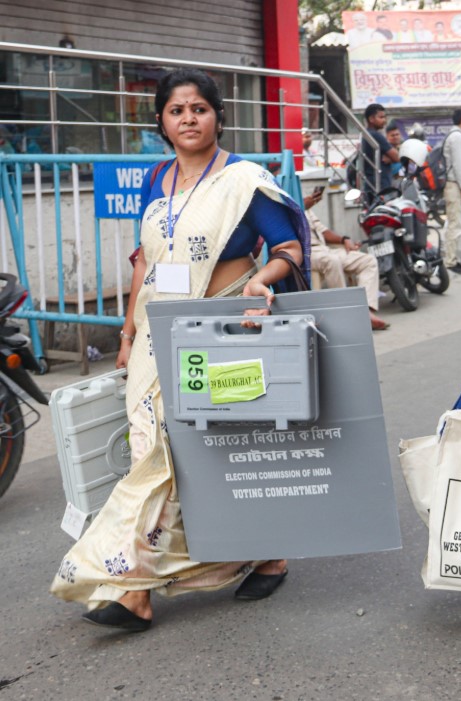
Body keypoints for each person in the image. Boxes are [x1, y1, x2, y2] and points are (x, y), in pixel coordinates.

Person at [50, 68, 310, 631]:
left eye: (199, 108)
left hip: (219, 329)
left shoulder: (243, 181)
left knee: (201, 452)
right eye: (176, 110)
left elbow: (288, 245)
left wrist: (263, 279)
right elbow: (144, 264)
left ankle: (145, 582)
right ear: (162, 122)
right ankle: (229, 559)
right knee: (154, 450)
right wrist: (126, 337)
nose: (188, 118)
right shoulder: (155, 180)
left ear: (218, 116)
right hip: (156, 334)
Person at [302, 189, 388, 330]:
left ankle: (365, 311)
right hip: (307, 253)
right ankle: (346, 313)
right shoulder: (286, 206)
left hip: (325, 249)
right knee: (332, 261)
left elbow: (323, 231)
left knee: (368, 261)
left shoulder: (308, 209)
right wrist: (301, 206)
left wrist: (345, 239)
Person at [442, 109, 461, 272]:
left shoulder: (454, 136)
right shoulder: (457, 137)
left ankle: (453, 258)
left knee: (456, 221)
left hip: (453, 184)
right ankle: (450, 261)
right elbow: (459, 165)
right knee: (455, 223)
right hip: (454, 184)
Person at [357, 103, 400, 206]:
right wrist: (392, 157)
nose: (384, 120)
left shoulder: (366, 134)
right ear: (371, 119)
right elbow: (397, 157)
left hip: (371, 184)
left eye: (384, 117)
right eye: (381, 117)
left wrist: (390, 158)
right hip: (380, 186)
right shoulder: (375, 136)